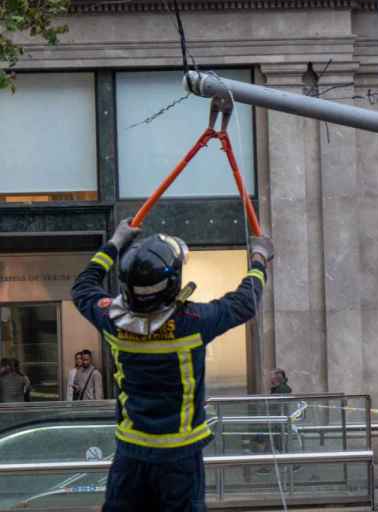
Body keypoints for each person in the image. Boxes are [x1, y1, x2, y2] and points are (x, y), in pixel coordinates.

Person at [71, 219, 273, 512]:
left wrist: (115, 243)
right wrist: (259, 259)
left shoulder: (111, 321)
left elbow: (82, 286)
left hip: (130, 454)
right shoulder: (193, 323)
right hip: (179, 458)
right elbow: (244, 303)